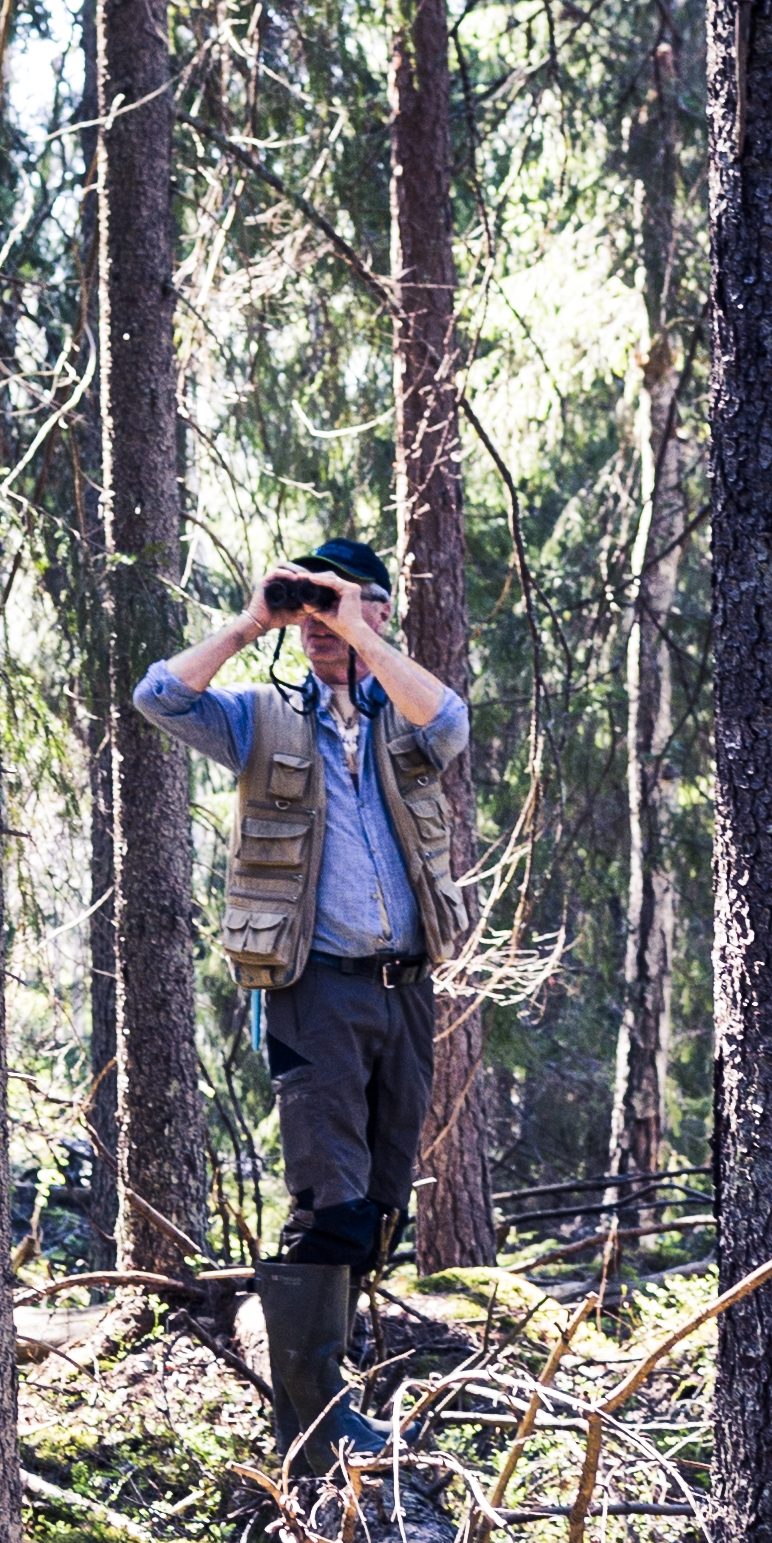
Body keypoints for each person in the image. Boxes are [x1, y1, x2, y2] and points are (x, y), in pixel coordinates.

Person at [134, 538, 469, 1493]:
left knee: (382, 1201)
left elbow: (450, 722)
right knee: (330, 1202)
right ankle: (316, 1431)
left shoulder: (404, 715)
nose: (324, 624)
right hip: (312, 986)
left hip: (406, 986)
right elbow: (160, 698)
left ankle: (334, 1398)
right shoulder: (262, 719)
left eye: (345, 605)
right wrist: (254, 622)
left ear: (379, 613)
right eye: (312, 609)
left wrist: (360, 627)